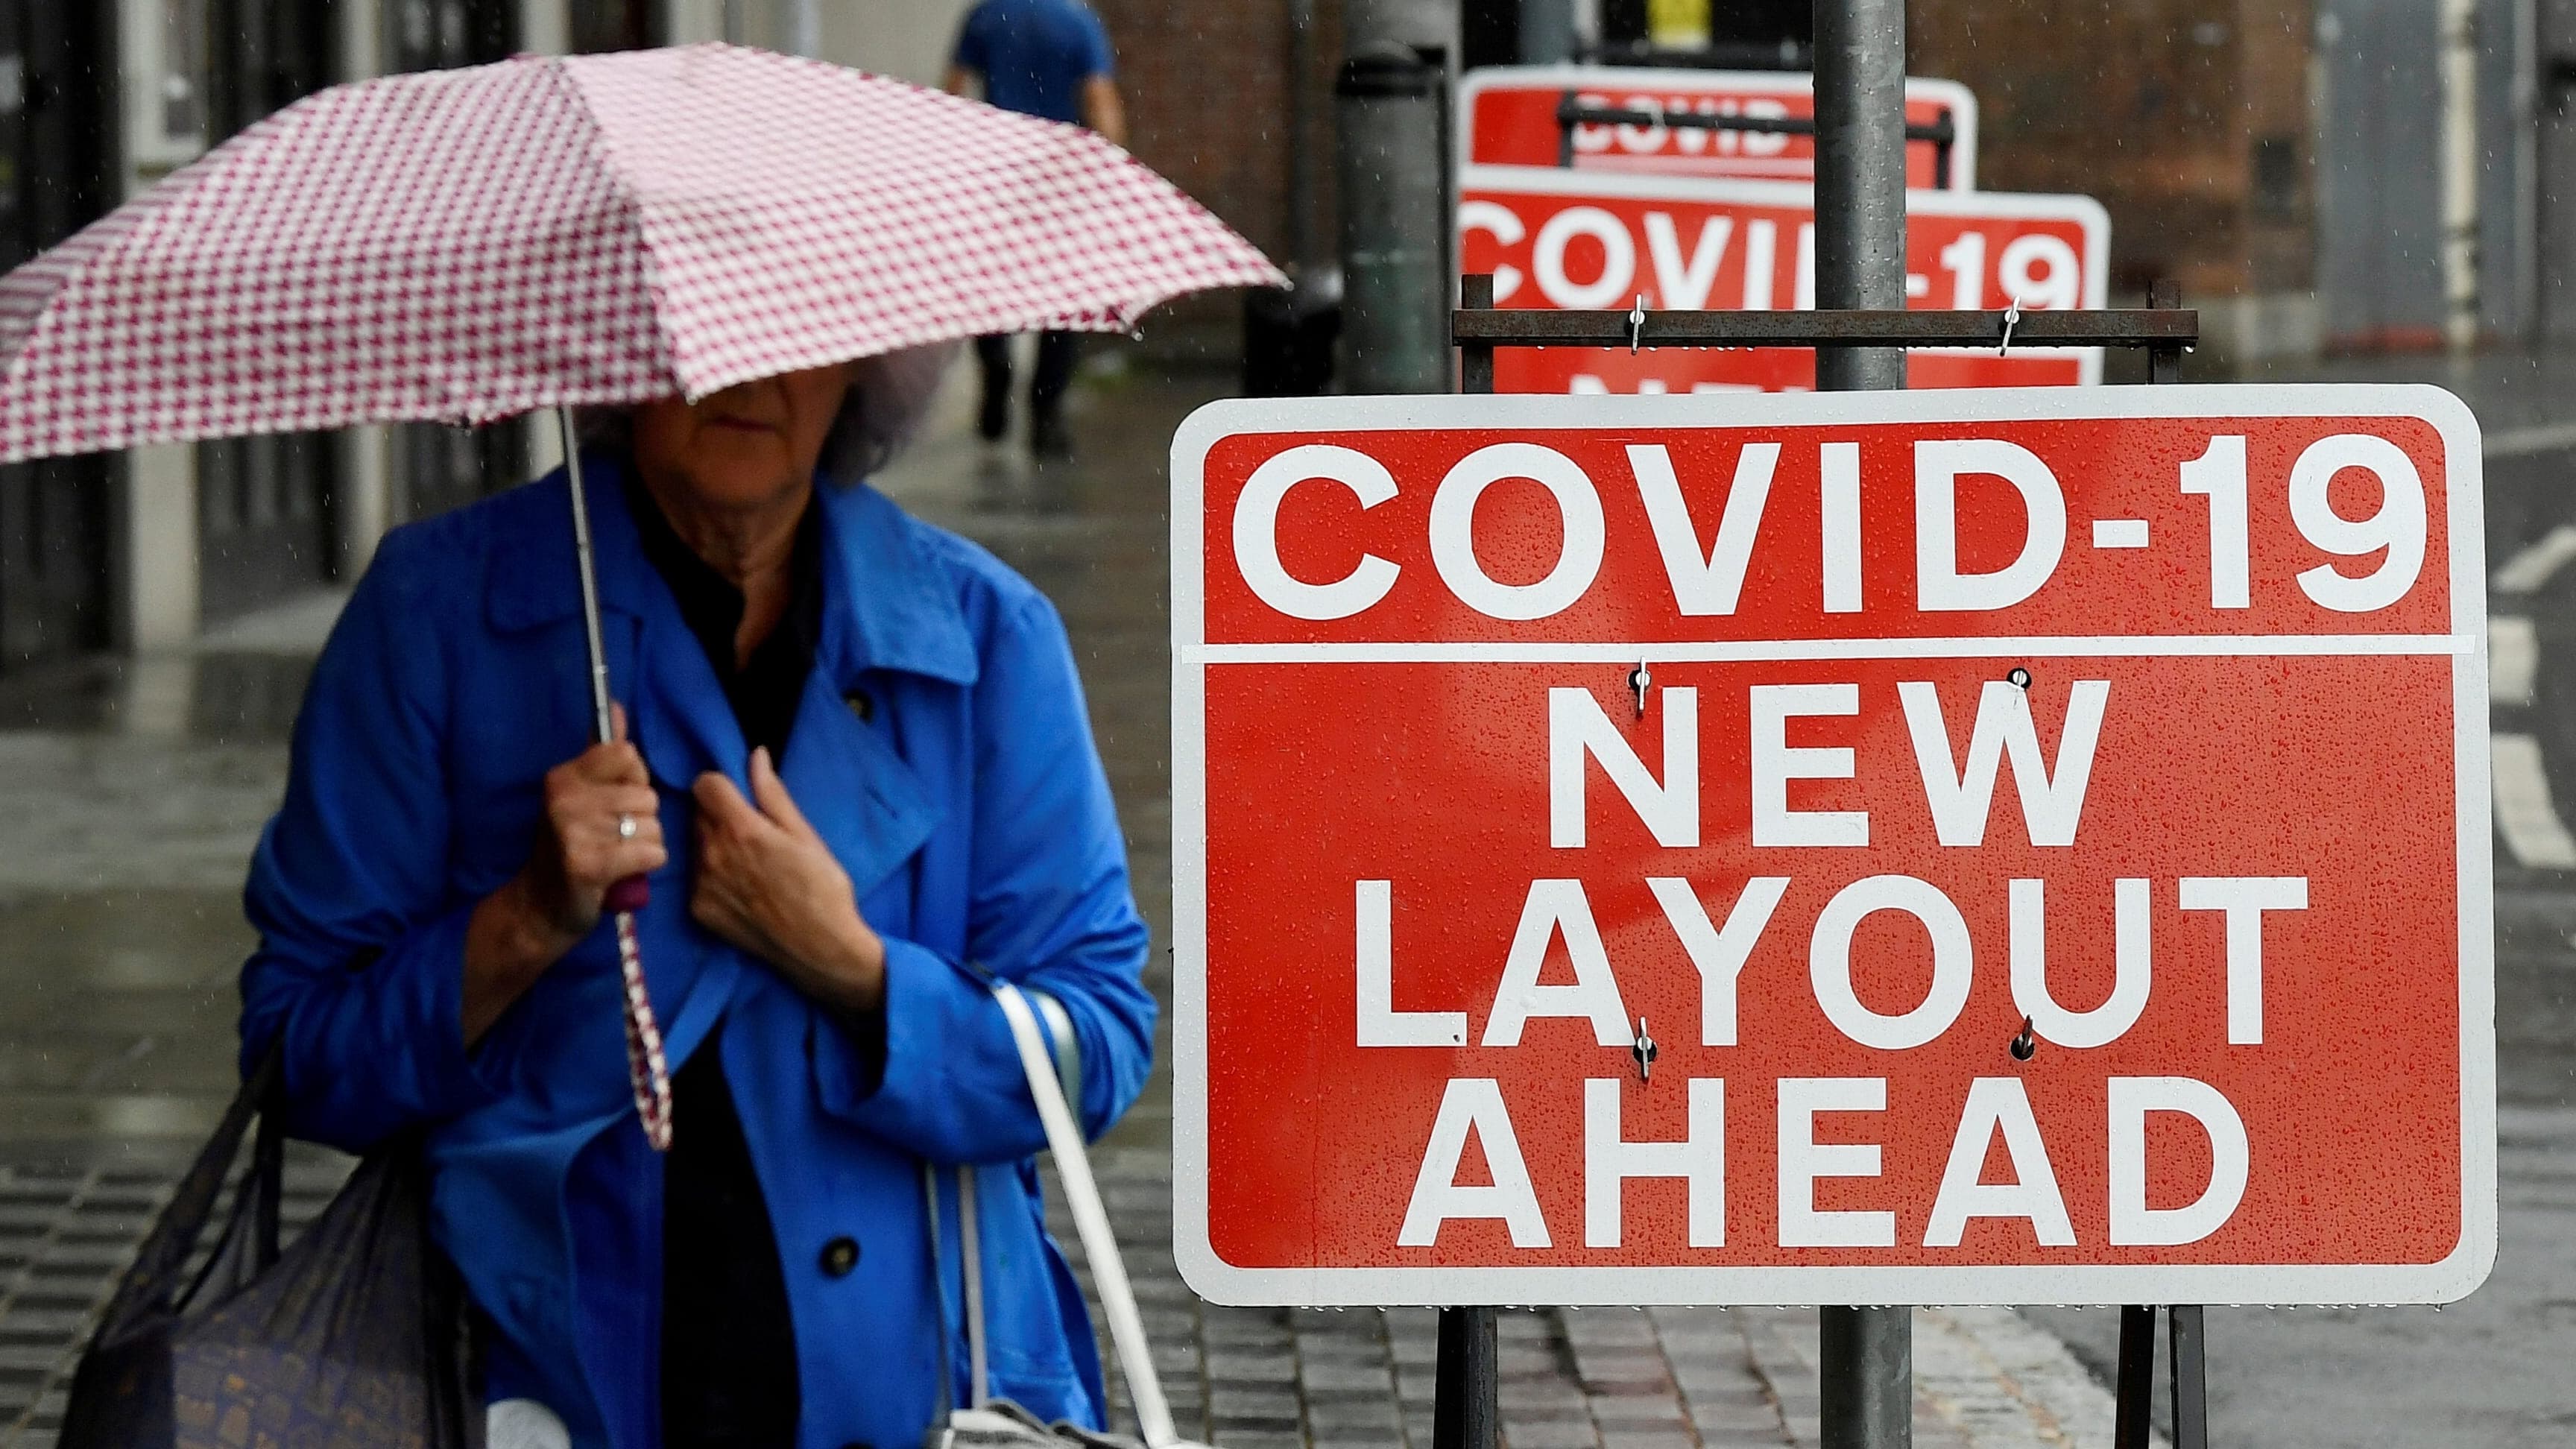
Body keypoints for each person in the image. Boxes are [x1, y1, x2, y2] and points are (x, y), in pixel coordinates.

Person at [237, 350, 1156, 1449]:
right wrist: (522, 920)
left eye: (801, 336)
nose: (751, 376)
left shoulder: (986, 636)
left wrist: (858, 972)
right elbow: (300, 1056)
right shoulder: (439, 615)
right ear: (617, 361)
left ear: (869, 373)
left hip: (920, 1399)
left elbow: (1094, 1047)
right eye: (698, 340)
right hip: (544, 1396)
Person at [944, 0, 1127, 459]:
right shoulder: (1078, 21)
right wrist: (1111, 169)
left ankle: (995, 364)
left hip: (996, 168)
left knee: (987, 285)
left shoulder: (986, 15)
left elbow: (954, 88)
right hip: (1058, 175)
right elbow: (1099, 97)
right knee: (1063, 298)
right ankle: (1046, 413)